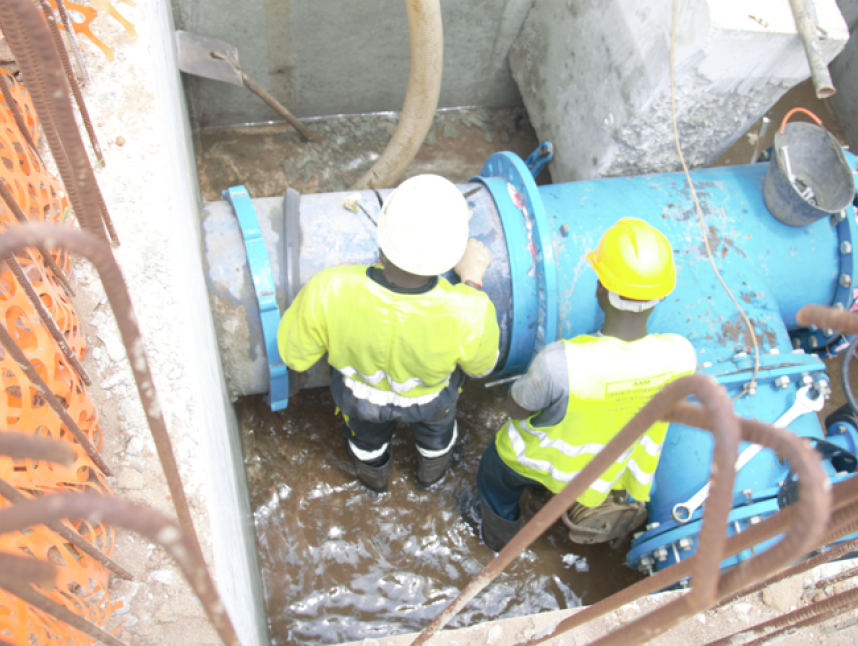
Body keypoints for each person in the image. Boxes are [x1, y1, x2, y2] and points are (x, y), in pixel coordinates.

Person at [471, 217, 697, 551]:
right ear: (662, 295)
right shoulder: (681, 357)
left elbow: (516, 410)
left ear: (600, 288)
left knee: (496, 481)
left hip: (528, 461)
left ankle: (497, 541)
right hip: (601, 473)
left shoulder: (559, 362)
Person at [279, 174, 500, 493]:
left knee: (366, 443)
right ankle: (430, 479)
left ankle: (375, 485)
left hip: (360, 399)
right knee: (437, 439)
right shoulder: (469, 310)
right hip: (432, 401)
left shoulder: (328, 288)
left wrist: (341, 275)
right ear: (451, 255)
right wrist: (472, 281)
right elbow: (482, 367)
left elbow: (294, 357)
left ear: (382, 235)